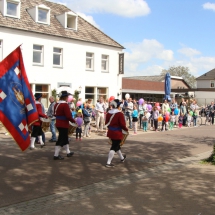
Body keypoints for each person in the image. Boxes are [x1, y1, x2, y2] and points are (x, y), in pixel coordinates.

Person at [53, 91, 76, 160]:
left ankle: (68, 152)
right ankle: (56, 155)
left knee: (65, 139)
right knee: (61, 139)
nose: (68, 98)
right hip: (63, 124)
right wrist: (74, 121)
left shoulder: (56, 104)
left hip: (58, 123)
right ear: (65, 97)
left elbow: (55, 114)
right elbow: (68, 116)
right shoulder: (65, 105)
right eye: (67, 97)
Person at [105, 99, 128, 168]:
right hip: (117, 133)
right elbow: (122, 125)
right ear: (118, 105)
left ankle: (122, 158)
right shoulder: (120, 114)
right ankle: (108, 162)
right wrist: (126, 130)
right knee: (114, 147)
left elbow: (106, 123)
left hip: (111, 132)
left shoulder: (108, 113)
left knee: (116, 145)